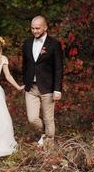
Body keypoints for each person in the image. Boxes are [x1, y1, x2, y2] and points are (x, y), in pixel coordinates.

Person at [22, 15, 63, 147]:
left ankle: (49, 148)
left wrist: (58, 89)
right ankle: (44, 134)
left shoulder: (54, 44)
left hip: (48, 87)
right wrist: (25, 81)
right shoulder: (27, 43)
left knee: (48, 118)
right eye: (32, 28)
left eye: (37, 28)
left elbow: (58, 68)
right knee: (32, 118)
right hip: (31, 87)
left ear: (45, 27)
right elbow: (25, 65)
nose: (35, 31)